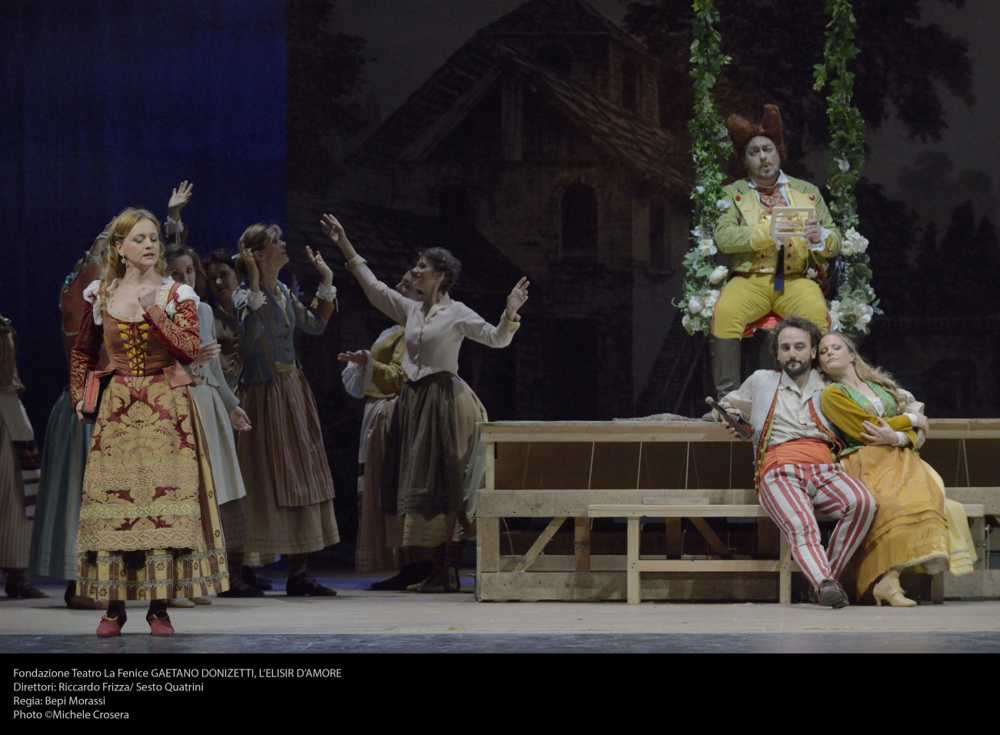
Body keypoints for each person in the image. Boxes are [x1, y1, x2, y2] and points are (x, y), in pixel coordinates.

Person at [321, 212, 528, 592]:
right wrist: (344, 243)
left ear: (441, 276)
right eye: (416, 266)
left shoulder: (456, 313)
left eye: (422, 267)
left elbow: (497, 339)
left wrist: (510, 313)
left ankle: (446, 570)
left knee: (443, 480)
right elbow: (373, 287)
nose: (415, 271)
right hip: (414, 401)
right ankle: (434, 570)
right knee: (419, 483)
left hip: (444, 400)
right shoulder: (412, 309)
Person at [70, 207, 229, 637]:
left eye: (153, 238)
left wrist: (154, 313)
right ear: (119, 248)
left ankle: (159, 608)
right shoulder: (101, 295)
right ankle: (114, 609)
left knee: (162, 509)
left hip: (166, 410)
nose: (149, 245)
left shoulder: (176, 294)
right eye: (139, 239)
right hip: (118, 410)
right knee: (116, 508)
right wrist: (78, 394)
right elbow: (82, 350)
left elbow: (190, 349)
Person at [716, 316, 876, 608]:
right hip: (779, 468)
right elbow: (727, 405)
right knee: (801, 523)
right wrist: (732, 418)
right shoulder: (762, 381)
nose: (792, 353)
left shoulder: (830, 383)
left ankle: (823, 581)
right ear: (777, 354)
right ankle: (824, 582)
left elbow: (882, 396)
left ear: (813, 351)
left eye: (799, 347)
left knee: (863, 503)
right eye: (785, 348)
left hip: (826, 467)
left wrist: (913, 417)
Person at [817, 332, 975, 605]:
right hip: (866, 459)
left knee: (925, 497)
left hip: (901, 456)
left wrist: (899, 437)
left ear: (852, 354)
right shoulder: (832, 394)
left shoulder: (881, 387)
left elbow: (914, 433)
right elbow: (866, 429)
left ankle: (890, 580)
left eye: (835, 347)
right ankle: (886, 580)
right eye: (822, 351)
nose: (829, 352)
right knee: (895, 504)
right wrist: (912, 419)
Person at [233, 223, 340, 596]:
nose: (283, 246)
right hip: (261, 395)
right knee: (260, 477)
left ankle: (300, 571)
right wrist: (253, 283)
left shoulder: (283, 292)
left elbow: (315, 325)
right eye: (275, 242)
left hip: (292, 390)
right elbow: (247, 344)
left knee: (301, 474)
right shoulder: (245, 297)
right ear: (258, 254)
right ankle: (242, 568)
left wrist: (326, 280)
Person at [709, 104, 841, 400]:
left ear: (779, 153)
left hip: (794, 278)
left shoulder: (807, 192)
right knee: (725, 313)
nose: (763, 157)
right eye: (754, 152)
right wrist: (764, 233)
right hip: (751, 278)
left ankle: (821, 396)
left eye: (767, 149)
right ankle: (729, 399)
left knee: (817, 315)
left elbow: (835, 241)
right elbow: (724, 238)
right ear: (745, 160)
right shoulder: (732, 193)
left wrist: (819, 237)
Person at [165, 246, 258, 602]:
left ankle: (198, 578)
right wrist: (189, 362)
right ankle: (172, 581)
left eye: (189, 272)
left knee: (208, 498)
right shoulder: (158, 312)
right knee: (181, 496)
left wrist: (232, 406)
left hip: (207, 404)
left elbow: (215, 371)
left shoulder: (203, 310)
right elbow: (156, 368)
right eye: (176, 273)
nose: (185, 279)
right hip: (176, 405)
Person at [0, 315, 45, 599]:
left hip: (9, 408)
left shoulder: (3, 327)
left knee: (19, 493)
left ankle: (17, 573)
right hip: (7, 407)